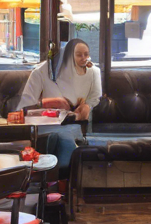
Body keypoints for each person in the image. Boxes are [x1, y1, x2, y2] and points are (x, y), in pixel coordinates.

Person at [19, 38, 102, 171]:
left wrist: (87, 106)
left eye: (86, 55)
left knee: (67, 136)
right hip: (45, 126)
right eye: (78, 55)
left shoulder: (92, 72)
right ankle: (58, 178)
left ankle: (61, 179)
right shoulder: (40, 72)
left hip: (75, 126)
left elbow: (95, 99)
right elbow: (22, 109)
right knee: (63, 138)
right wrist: (49, 103)